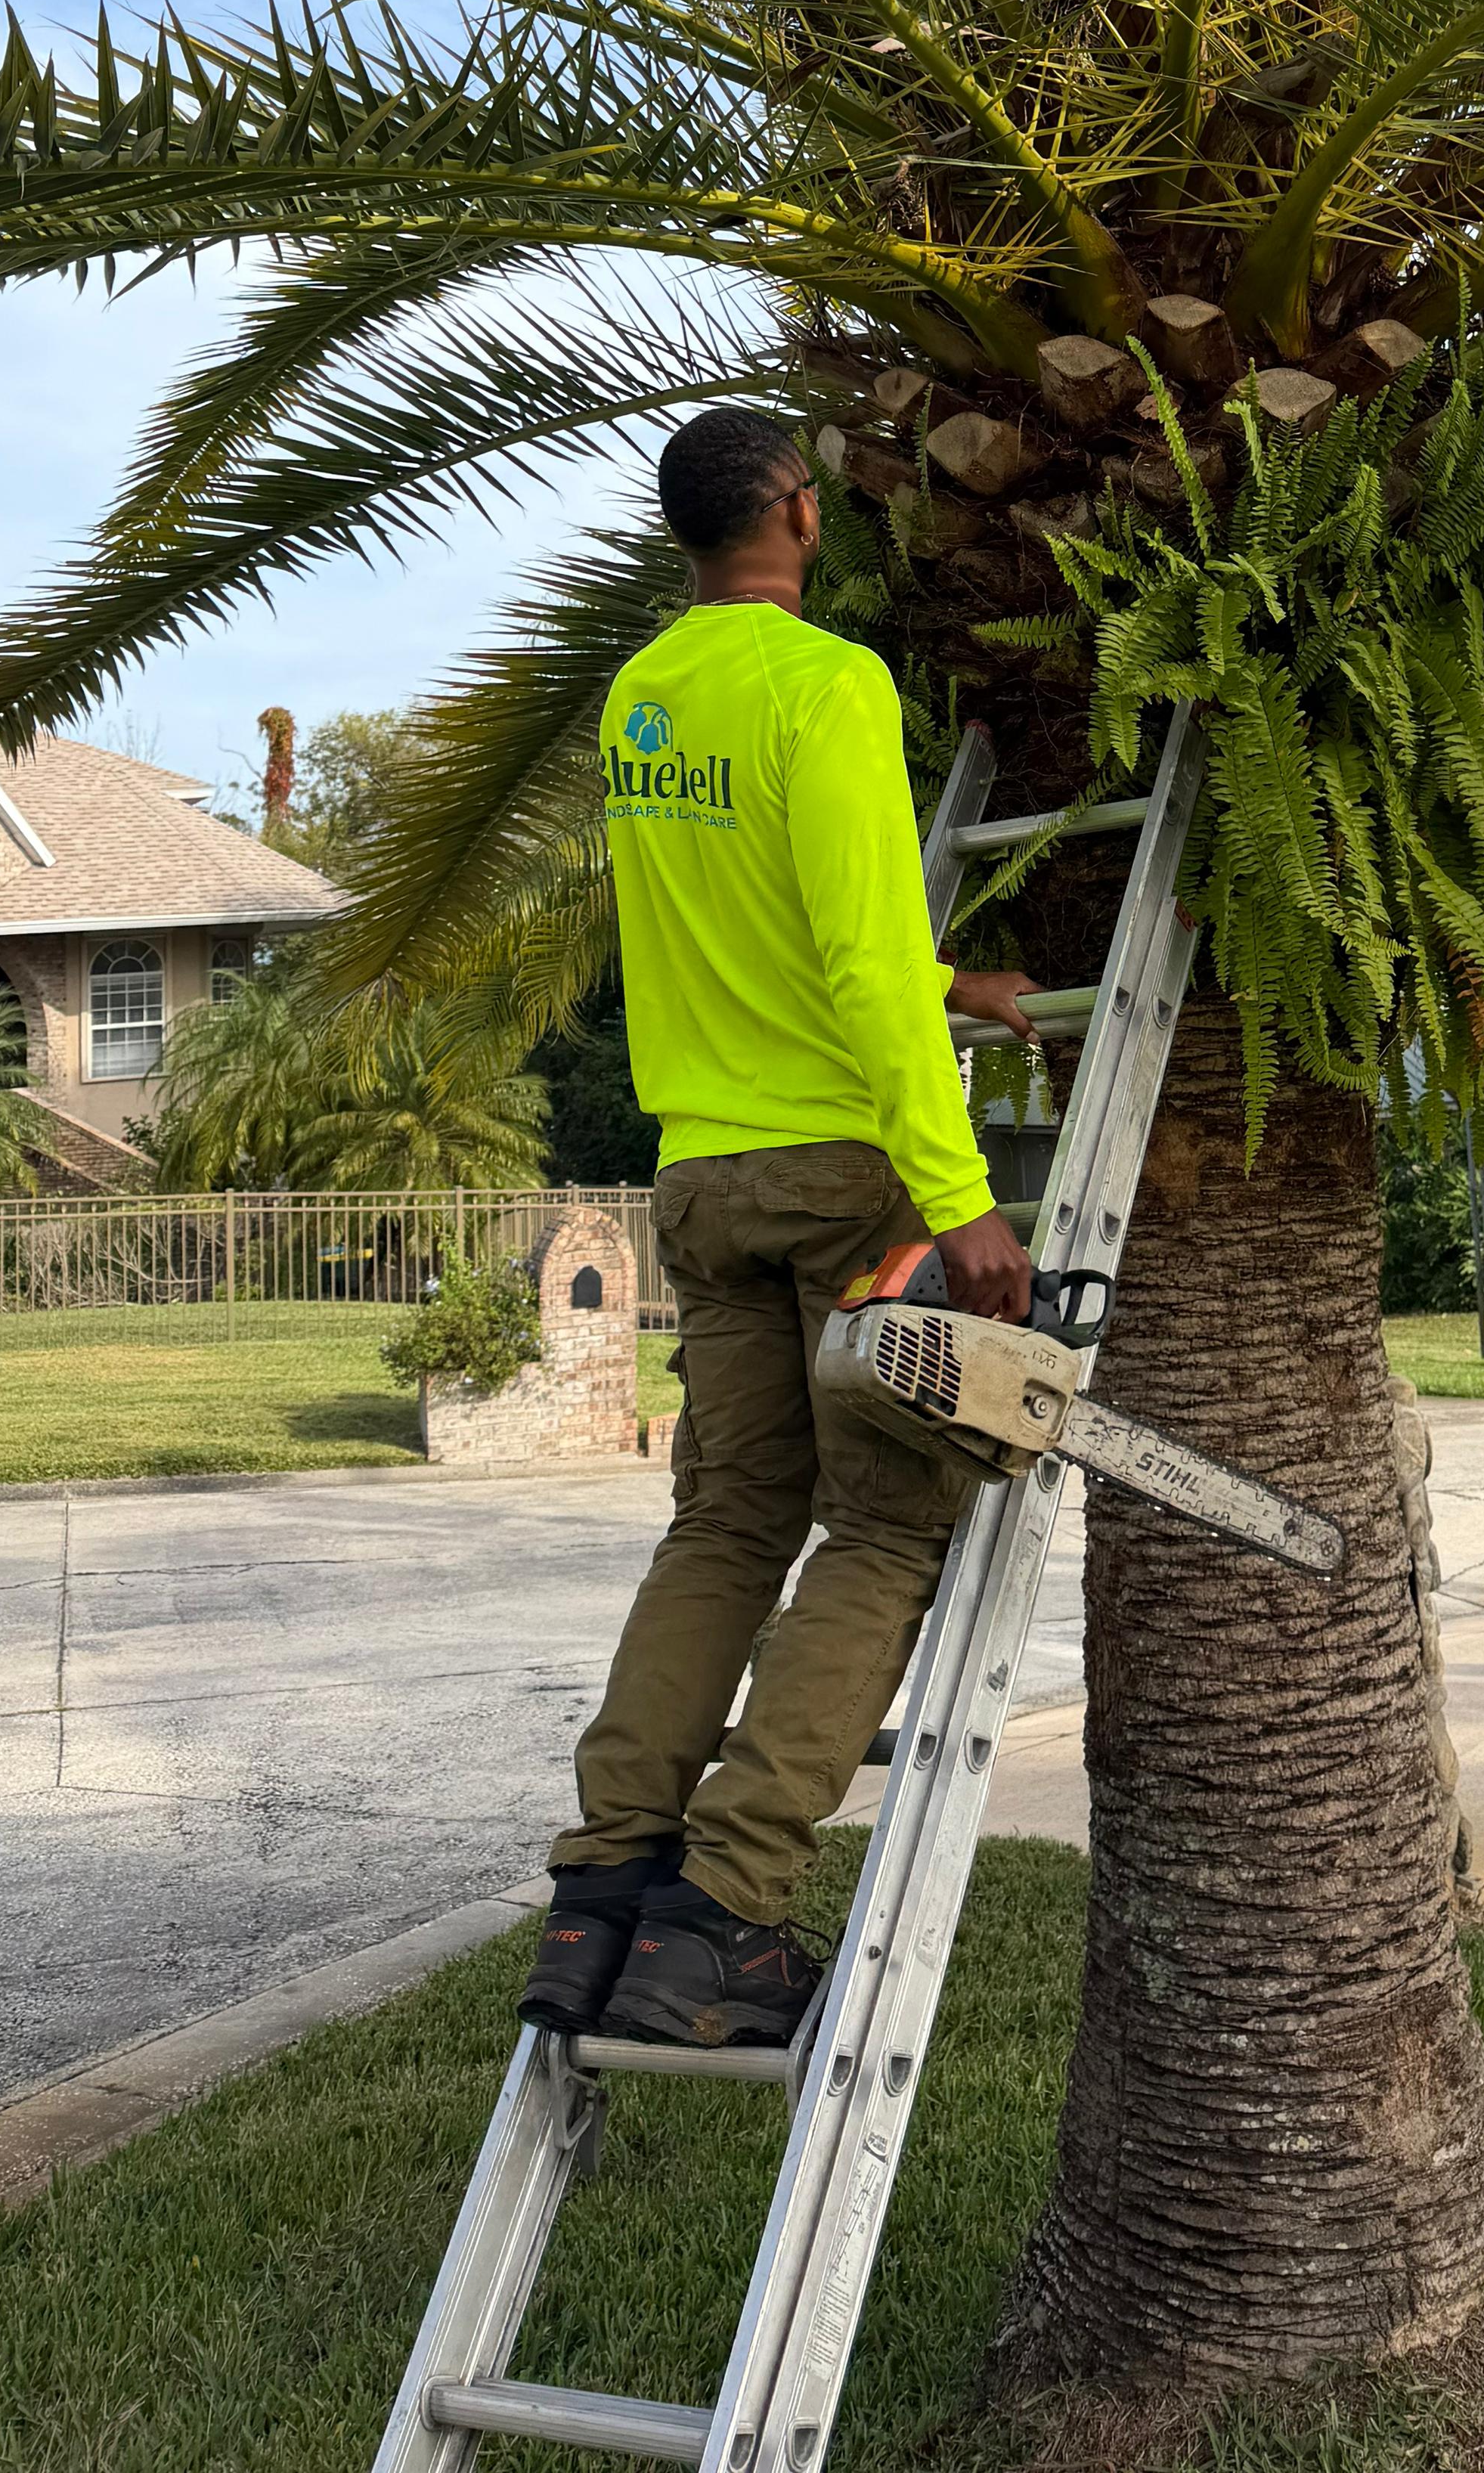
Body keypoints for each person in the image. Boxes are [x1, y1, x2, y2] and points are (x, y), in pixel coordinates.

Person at [521, 406, 1039, 2051]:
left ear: (690, 535)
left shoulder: (643, 697)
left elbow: (762, 913)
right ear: (804, 516)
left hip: (703, 1178)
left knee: (730, 1525)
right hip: (839, 1177)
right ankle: (731, 1913)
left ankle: (604, 1889)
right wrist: (959, 1203)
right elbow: (862, 961)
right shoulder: (831, 688)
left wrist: (963, 983)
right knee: (887, 1529)